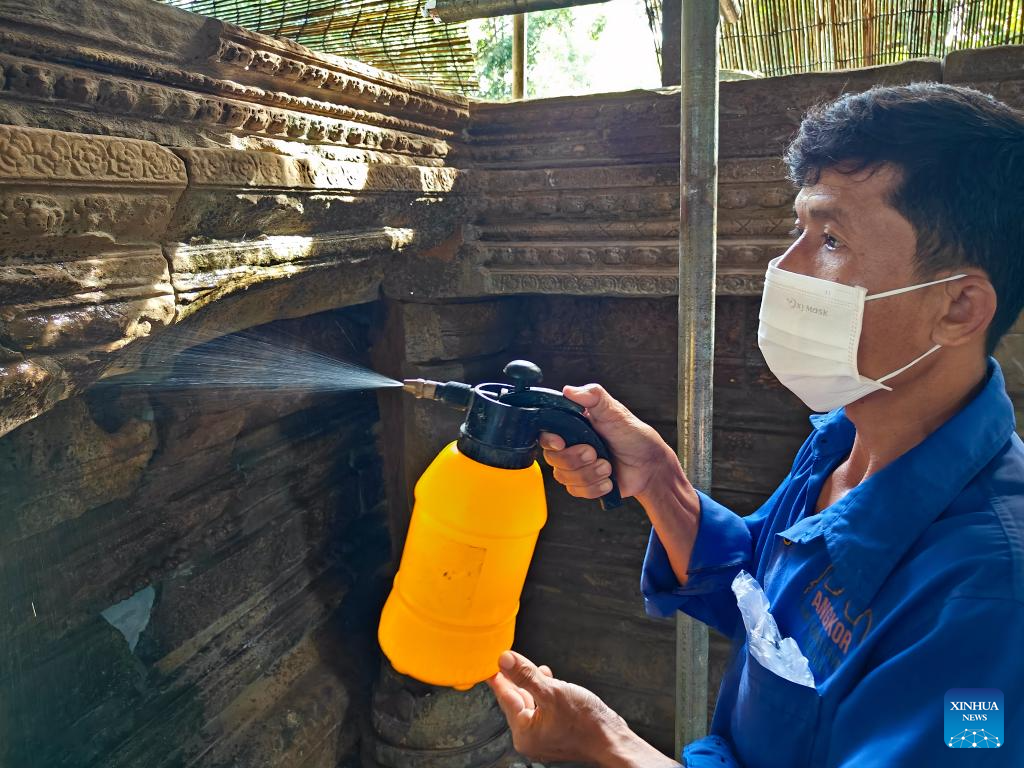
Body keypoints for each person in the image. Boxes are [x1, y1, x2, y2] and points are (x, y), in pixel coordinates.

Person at [486, 82, 1024, 767]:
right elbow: (764, 597)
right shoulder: (842, 440)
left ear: (958, 307)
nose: (786, 267)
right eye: (796, 229)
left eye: (830, 239)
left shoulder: (992, 603)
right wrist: (660, 481)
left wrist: (609, 749)